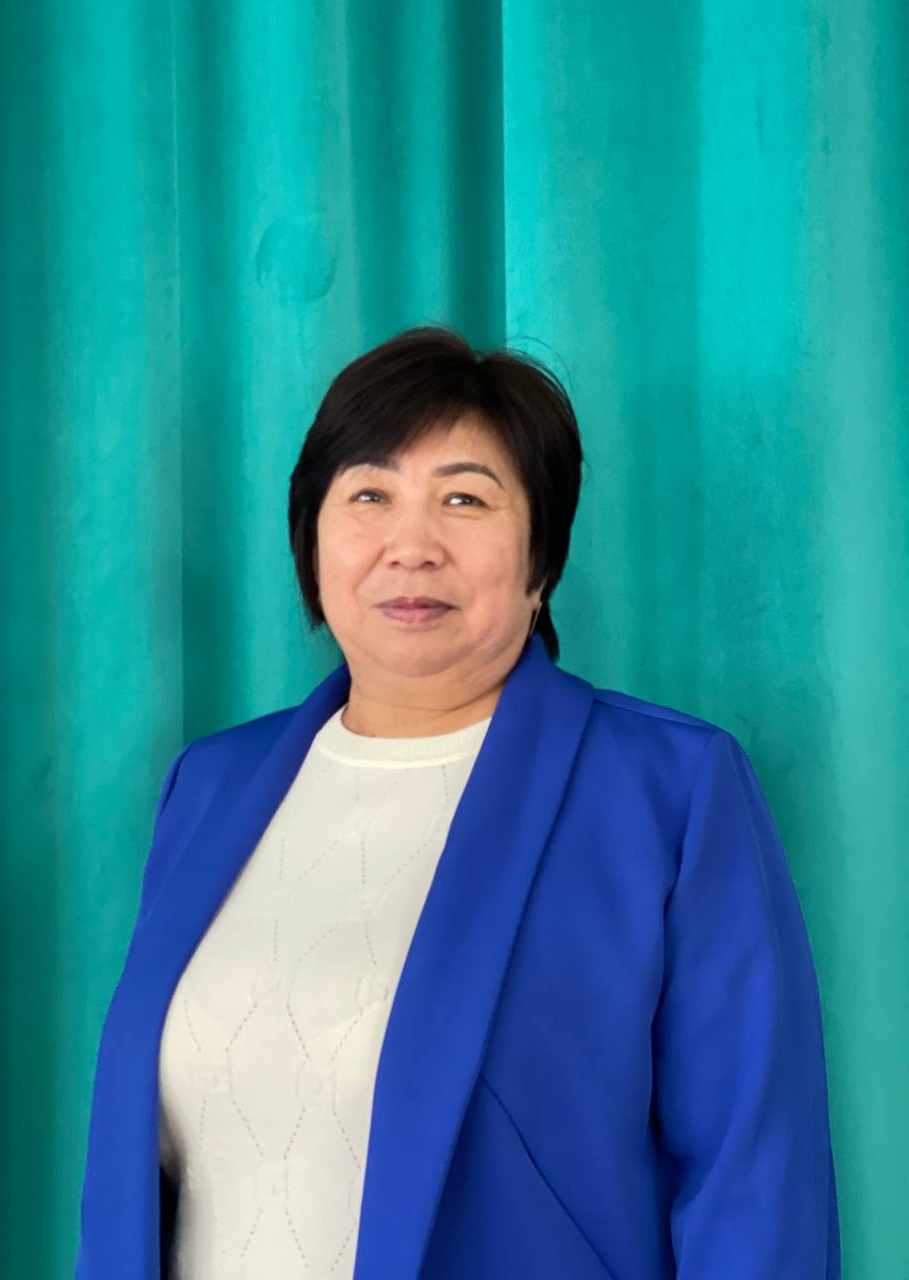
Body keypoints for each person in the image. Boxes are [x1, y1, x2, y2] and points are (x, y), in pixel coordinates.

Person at [74, 325, 841, 1279]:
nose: (411, 546)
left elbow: (753, 1180)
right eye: (369, 495)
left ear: (542, 558)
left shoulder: (668, 790)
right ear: (311, 539)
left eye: (464, 499)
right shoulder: (211, 785)